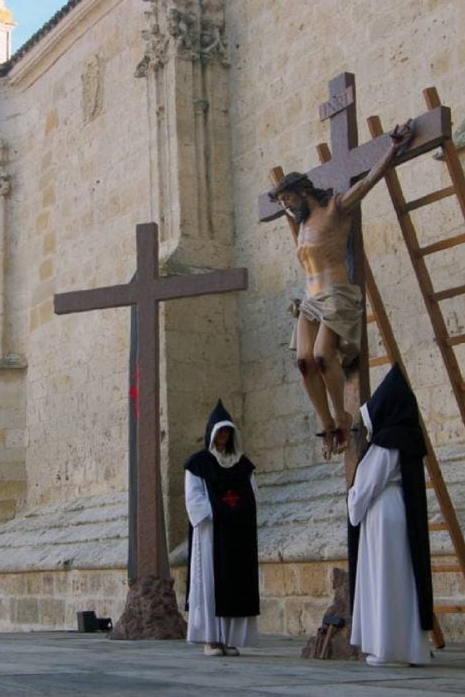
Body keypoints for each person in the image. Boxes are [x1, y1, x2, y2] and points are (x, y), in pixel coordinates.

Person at [268, 121, 413, 458]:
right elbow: (285, 214)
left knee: (321, 356)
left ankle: (342, 416)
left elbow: (368, 182)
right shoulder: (300, 224)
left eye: (289, 199)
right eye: (284, 203)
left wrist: (392, 149)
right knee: (303, 363)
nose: (288, 207)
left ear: (304, 191)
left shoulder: (335, 209)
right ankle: (327, 426)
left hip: (336, 293)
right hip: (310, 300)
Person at [347, 364, 433, 667]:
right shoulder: (409, 438)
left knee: (384, 579)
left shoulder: (385, 443)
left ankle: (385, 648)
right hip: (400, 510)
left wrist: (352, 503)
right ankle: (409, 647)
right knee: (403, 579)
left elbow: (367, 485)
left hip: (382, 512)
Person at [184, 400, 260, 657]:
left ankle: (228, 638)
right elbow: (194, 499)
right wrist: (219, 513)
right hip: (210, 534)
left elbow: (252, 495)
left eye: (228, 432)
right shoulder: (198, 464)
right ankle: (211, 639)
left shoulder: (242, 465)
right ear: (212, 434)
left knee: (234, 583)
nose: (224, 436)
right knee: (211, 583)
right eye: (220, 432)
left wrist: (237, 513)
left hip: (237, 533)